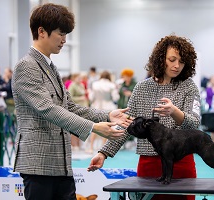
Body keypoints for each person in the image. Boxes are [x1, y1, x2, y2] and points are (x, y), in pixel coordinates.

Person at [11, 3, 131, 200]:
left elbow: (70, 107)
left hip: (61, 164)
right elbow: (48, 109)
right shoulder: (27, 66)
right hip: (39, 165)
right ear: (42, 31)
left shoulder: (50, 67)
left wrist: (108, 115)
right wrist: (94, 127)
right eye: (61, 34)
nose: (64, 40)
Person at [89, 35, 201, 200]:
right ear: (160, 58)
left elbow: (195, 124)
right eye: (172, 59)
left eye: (182, 61)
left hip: (181, 163)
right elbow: (126, 124)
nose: (177, 66)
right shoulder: (141, 88)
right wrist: (103, 153)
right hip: (149, 165)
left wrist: (175, 112)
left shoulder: (189, 86)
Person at [88, 70, 120, 153]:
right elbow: (115, 97)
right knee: (107, 127)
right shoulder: (112, 85)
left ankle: (91, 147)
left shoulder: (95, 84)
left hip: (96, 107)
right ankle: (103, 148)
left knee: (94, 127)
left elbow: (91, 97)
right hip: (108, 107)